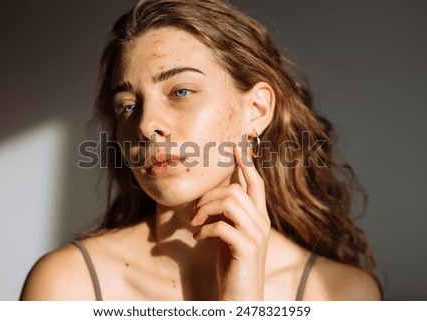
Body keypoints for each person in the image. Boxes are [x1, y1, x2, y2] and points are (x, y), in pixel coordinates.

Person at [20, 0, 381, 300]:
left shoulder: (343, 294)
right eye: (127, 106)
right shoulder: (66, 285)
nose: (146, 126)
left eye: (181, 92)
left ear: (255, 110)